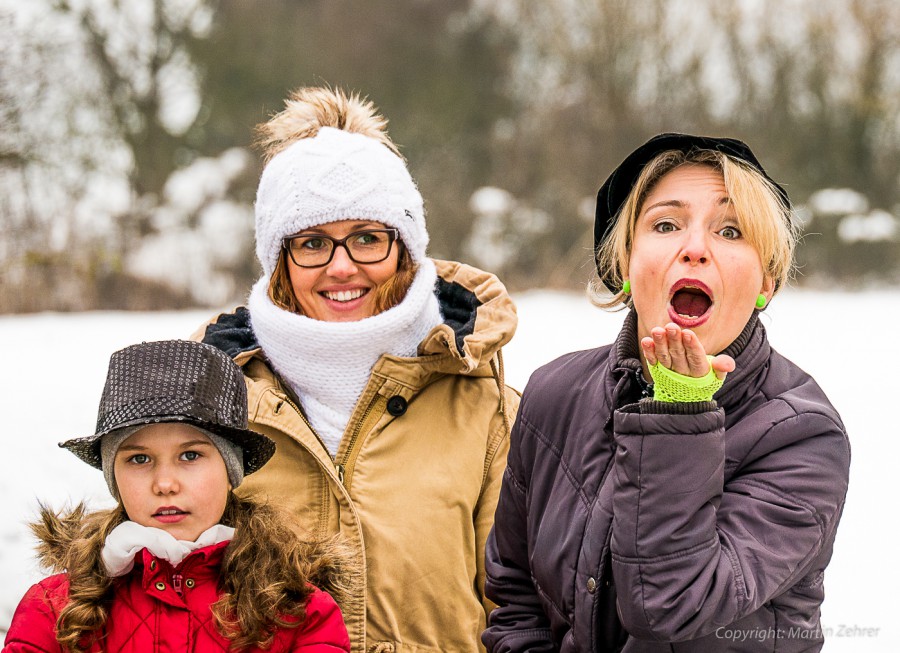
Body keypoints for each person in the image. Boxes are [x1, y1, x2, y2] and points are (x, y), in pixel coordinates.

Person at [482, 133, 851, 652]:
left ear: (767, 279)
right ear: (626, 266)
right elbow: (516, 600)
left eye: (730, 230)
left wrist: (679, 414)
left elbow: (673, 608)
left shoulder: (802, 436)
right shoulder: (554, 395)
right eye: (665, 224)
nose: (695, 248)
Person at [193, 86, 519, 652]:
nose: (342, 267)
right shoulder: (212, 400)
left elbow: (519, 612)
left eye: (368, 238)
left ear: (404, 248)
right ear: (278, 261)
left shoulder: (484, 407)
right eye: (313, 243)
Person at [3, 340, 351, 653]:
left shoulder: (299, 613)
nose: (165, 483)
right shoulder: (53, 609)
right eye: (139, 459)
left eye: (190, 456)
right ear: (115, 478)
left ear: (230, 471)